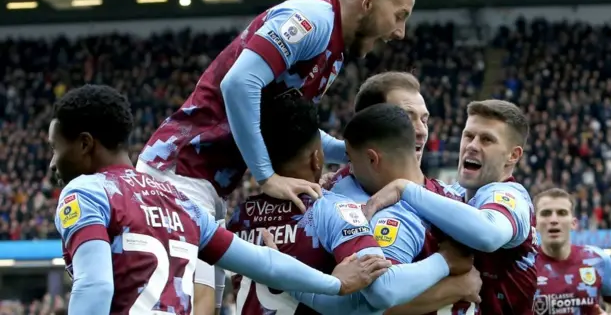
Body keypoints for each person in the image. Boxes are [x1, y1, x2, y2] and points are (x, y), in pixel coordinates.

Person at [136, 0, 421, 312]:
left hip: (206, 183)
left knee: (204, 304)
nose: (399, 33)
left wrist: (357, 154)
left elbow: (287, 125)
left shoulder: (332, 49)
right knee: (191, 304)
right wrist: (265, 176)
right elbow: (239, 84)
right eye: (400, 15)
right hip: (180, 173)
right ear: (369, 1)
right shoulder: (311, 20)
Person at [51, 85, 390, 315]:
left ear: (85, 144)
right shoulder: (181, 202)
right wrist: (334, 283)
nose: (53, 162)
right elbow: (264, 263)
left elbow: (94, 285)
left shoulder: (88, 192)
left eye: (56, 148)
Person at [228, 97, 473, 314]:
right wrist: (445, 261)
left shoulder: (238, 218)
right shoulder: (335, 210)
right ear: (317, 158)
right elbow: (375, 298)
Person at [364, 99, 538, 314]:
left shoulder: (512, 197)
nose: (472, 146)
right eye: (469, 135)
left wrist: (405, 189)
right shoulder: (450, 195)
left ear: (513, 155)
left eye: (487, 140)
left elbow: (488, 234)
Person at [326, 72, 480, 315]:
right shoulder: (346, 205)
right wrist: (456, 286)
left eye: (425, 119)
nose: (420, 131)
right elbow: (374, 303)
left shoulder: (453, 194)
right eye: (407, 118)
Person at [534, 188, 611, 315]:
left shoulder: (597, 259)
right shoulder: (522, 267)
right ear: (535, 223)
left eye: (562, 213)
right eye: (546, 213)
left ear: (573, 223)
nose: (554, 220)